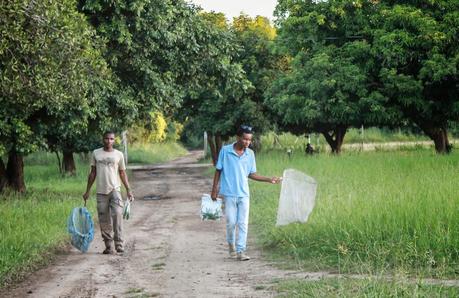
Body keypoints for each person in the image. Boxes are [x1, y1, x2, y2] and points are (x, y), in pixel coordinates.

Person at [211, 125, 281, 261]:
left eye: (249, 140)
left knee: (243, 223)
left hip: (244, 194)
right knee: (231, 222)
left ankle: (241, 251)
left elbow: (251, 174)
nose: (247, 142)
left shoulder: (250, 154)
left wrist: (268, 179)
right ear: (238, 137)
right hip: (229, 194)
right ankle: (231, 245)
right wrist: (214, 189)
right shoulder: (225, 151)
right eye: (245, 139)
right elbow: (218, 170)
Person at [83, 131, 134, 254]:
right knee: (103, 219)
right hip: (101, 192)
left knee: (117, 215)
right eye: (106, 138)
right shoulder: (96, 153)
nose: (109, 141)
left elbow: (122, 173)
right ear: (103, 139)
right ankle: (108, 246)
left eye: (111, 139)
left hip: (115, 190)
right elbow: (93, 173)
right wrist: (87, 191)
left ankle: (119, 244)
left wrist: (128, 190)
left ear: (114, 140)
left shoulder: (119, 155)